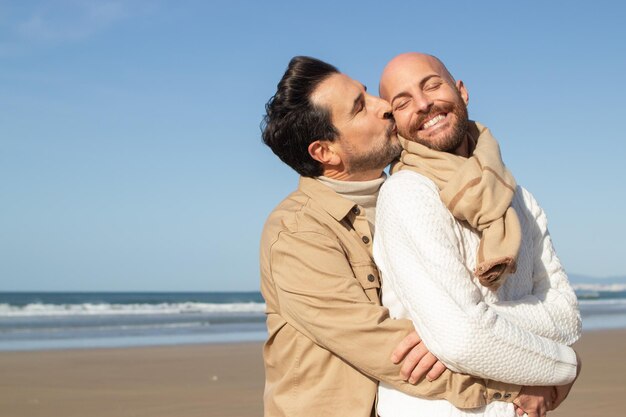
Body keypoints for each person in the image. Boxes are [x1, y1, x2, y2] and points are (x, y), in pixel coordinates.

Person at [260, 56, 563, 417]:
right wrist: (519, 384)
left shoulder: (420, 193)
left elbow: (462, 324)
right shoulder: (297, 234)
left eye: (368, 93)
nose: (384, 107)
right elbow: (391, 351)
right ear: (326, 152)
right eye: (360, 108)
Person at [373, 52, 582, 417]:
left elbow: (567, 315)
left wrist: (470, 321)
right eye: (402, 102)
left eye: (432, 85)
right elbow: (462, 338)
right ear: (395, 123)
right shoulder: (408, 193)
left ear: (462, 91)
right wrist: (566, 369)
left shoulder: (516, 196)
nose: (424, 104)